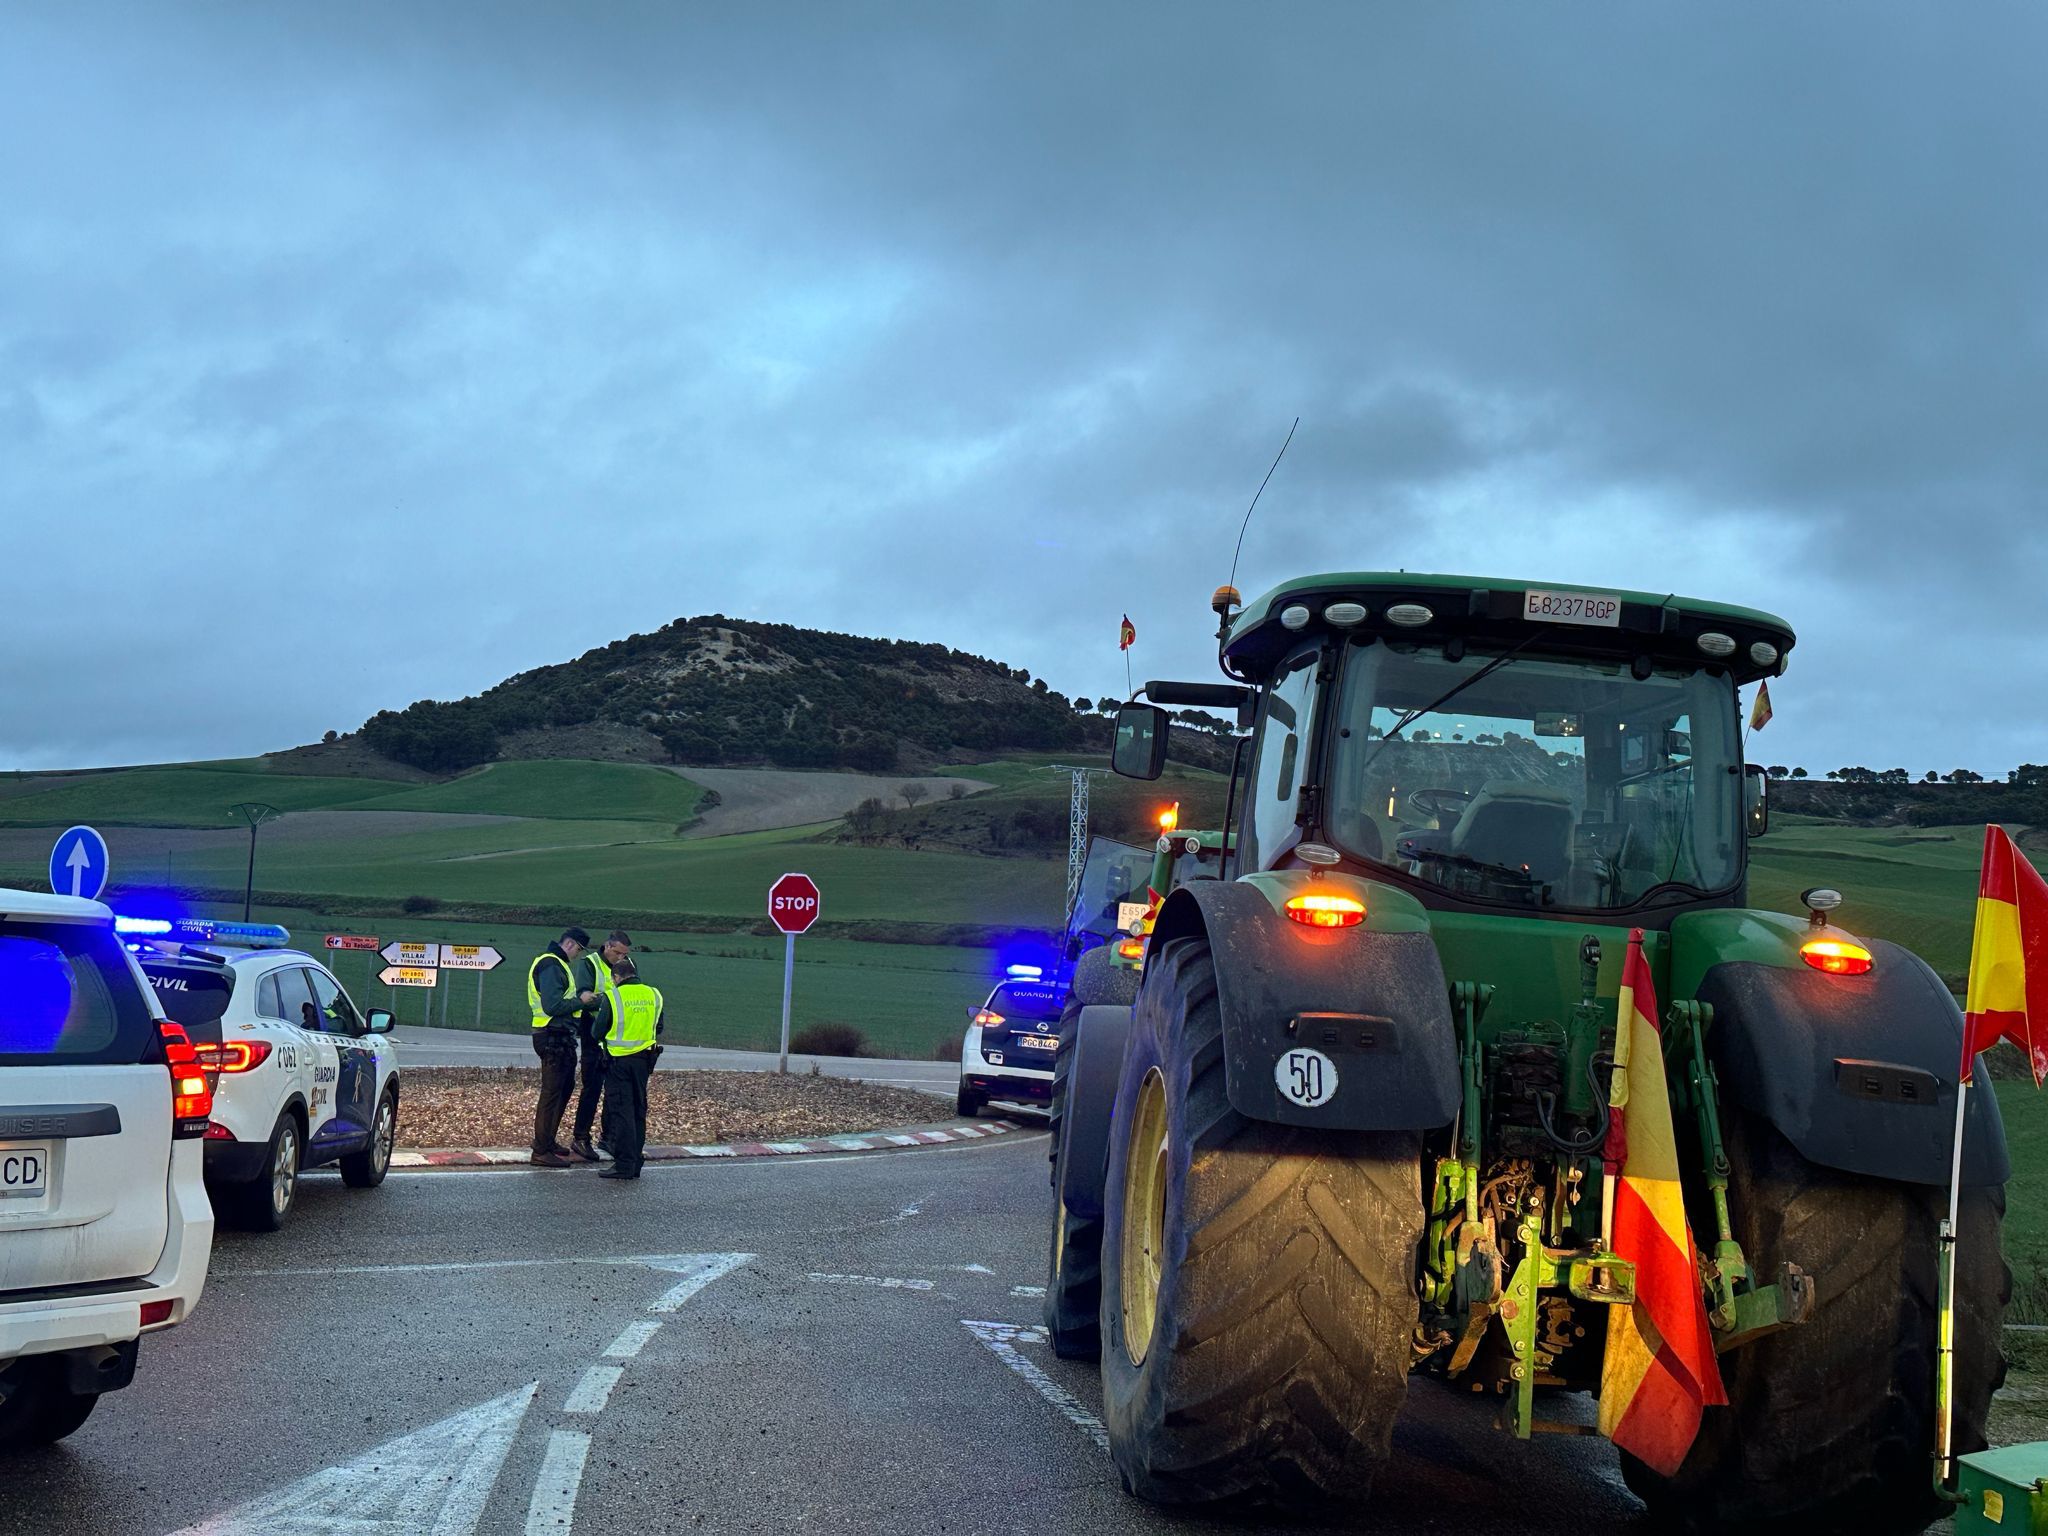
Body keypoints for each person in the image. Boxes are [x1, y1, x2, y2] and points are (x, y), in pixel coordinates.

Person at [528, 927, 598, 1168]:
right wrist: (582, 1001)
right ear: (570, 944)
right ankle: (540, 1150)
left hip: (559, 1035)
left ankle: (548, 1142)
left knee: (564, 1087)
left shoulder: (555, 963)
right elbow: (552, 1005)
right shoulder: (551, 965)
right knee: (551, 1093)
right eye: (579, 949)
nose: (578, 954)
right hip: (552, 1034)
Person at [595, 956, 663, 1181]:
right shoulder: (654, 994)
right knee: (638, 1111)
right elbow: (659, 1025)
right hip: (644, 1061)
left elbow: (598, 1030)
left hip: (619, 1062)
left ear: (616, 977)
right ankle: (635, 1162)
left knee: (622, 1113)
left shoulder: (613, 996)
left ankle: (624, 1164)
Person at [568, 930, 629, 1162]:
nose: (621, 959)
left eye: (624, 954)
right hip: (593, 1032)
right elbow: (585, 997)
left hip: (617, 1035)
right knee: (592, 1088)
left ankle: (609, 1137)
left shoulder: (628, 963)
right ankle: (581, 1137)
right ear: (607, 946)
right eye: (617, 953)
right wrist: (612, 998)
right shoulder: (590, 964)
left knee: (614, 1090)